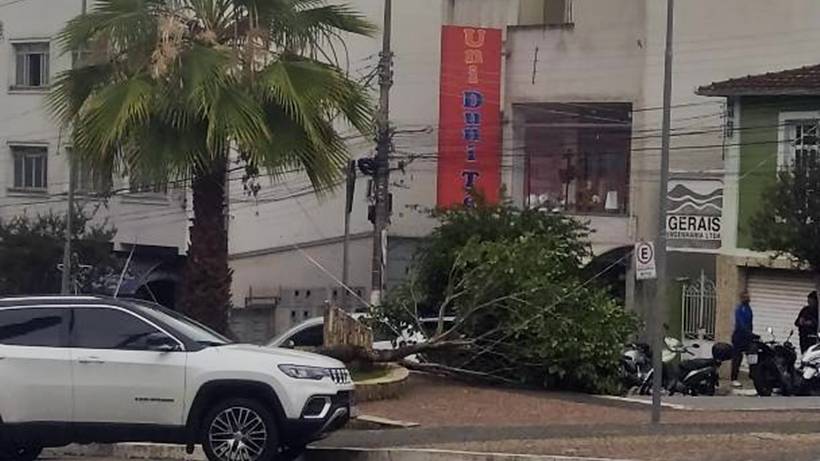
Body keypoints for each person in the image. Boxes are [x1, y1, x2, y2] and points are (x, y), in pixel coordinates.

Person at [731, 291, 754, 388]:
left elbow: (750, 323)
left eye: (748, 297)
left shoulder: (749, 309)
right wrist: (749, 333)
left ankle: (754, 376)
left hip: (747, 336)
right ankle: (734, 379)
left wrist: (751, 334)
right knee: (737, 358)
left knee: (752, 356)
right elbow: (741, 324)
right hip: (739, 336)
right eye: (745, 297)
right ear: (742, 298)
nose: (748, 299)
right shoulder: (740, 309)